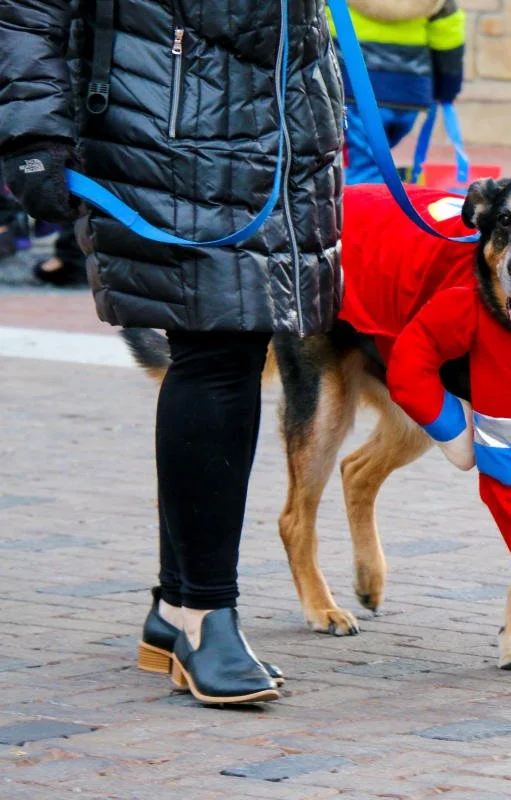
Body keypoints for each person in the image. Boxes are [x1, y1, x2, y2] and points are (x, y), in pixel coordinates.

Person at [0, 0, 344, 704]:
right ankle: (201, 613)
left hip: (282, 117)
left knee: (236, 347)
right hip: (164, 115)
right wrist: (32, 129)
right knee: (217, 348)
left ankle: (175, 605)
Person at [334, 0, 466, 185]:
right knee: (376, 160)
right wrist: (446, 89)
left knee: (364, 166)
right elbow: (448, 36)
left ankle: (367, 209)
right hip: (408, 94)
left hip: (356, 90)